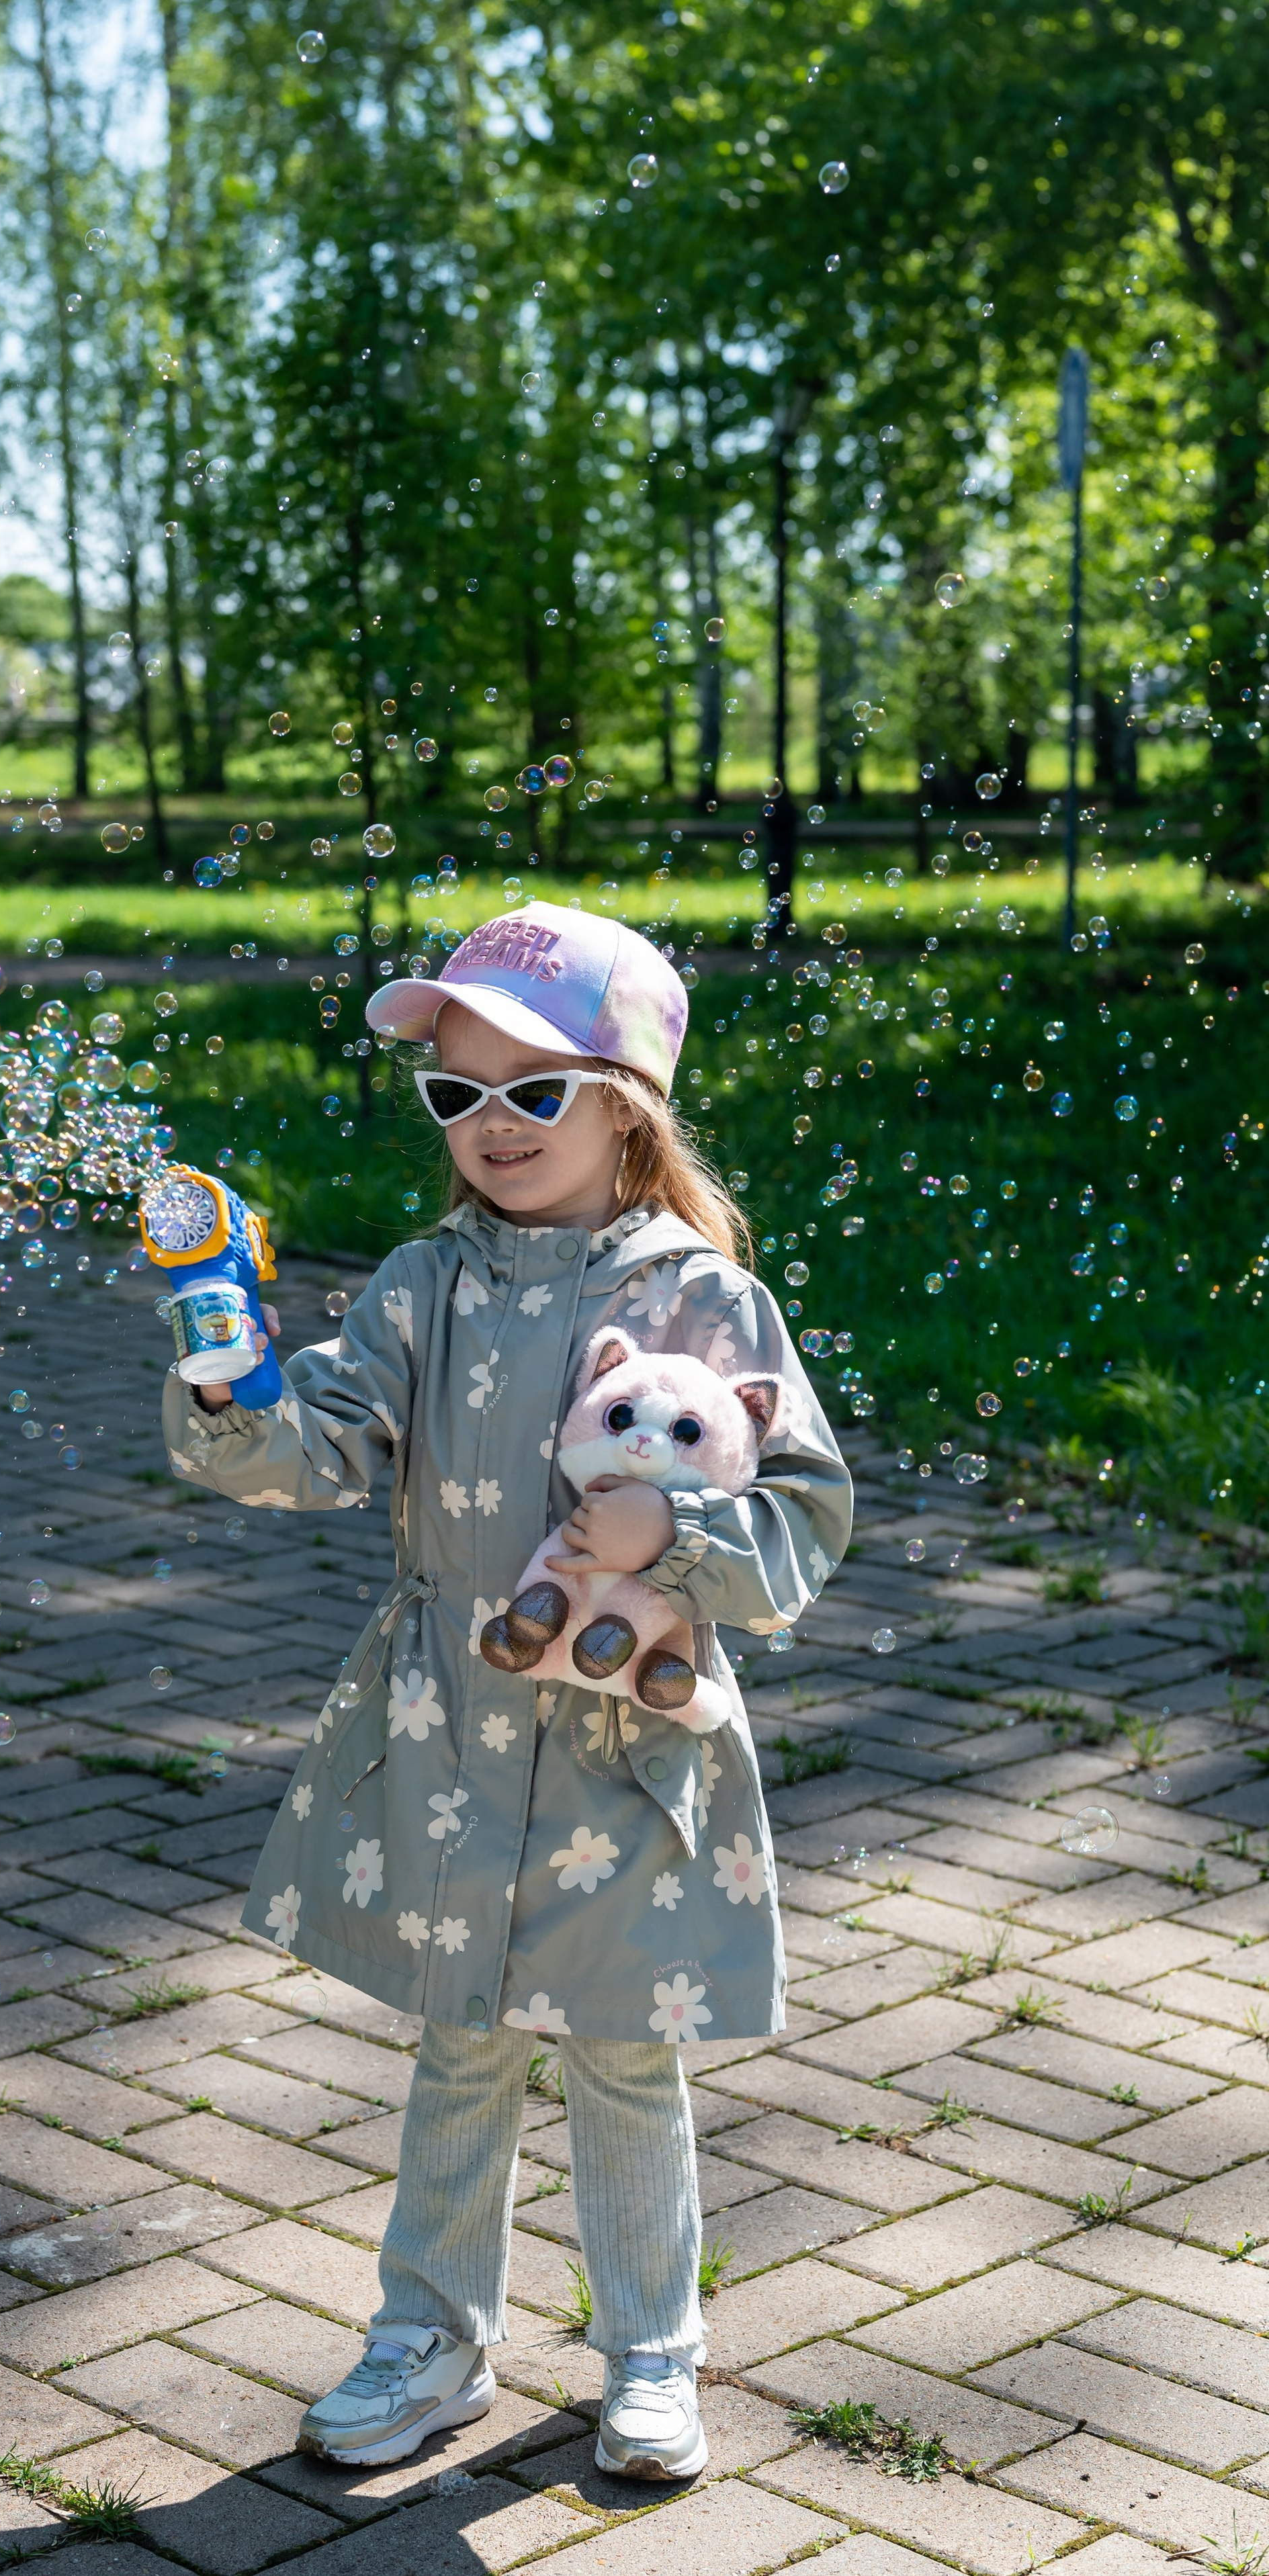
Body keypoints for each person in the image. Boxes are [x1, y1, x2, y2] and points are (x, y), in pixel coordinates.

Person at [161, 899, 850, 2482]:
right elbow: (314, 1450)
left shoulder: (703, 1299)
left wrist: (665, 1528)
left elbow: (805, 1513)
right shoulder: (422, 1281)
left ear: (627, 1102)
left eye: (529, 1091)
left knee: (623, 2054)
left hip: (629, 1735)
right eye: (451, 1094)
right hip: (448, 1727)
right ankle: (430, 2341)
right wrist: (230, 1382)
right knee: (457, 2042)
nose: (488, 1125)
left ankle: (649, 2357)